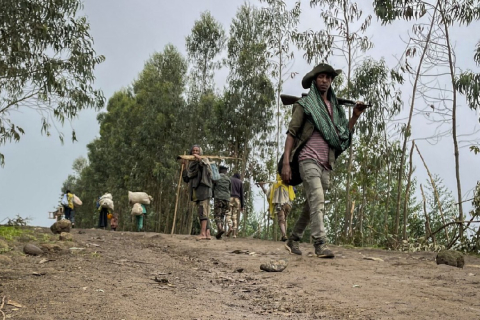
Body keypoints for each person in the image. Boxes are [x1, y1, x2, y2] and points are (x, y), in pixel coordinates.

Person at [281, 63, 367, 258]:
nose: (324, 81)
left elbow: (343, 135)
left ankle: (293, 238)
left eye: (328, 78)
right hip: (307, 158)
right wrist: (287, 162)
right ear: (314, 80)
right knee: (318, 199)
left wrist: (354, 116)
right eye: (321, 77)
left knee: (312, 203)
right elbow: (291, 134)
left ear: (331, 81)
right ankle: (320, 243)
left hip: (326, 162)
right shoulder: (305, 105)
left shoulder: (335, 109)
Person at [182, 144, 213, 240]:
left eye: (197, 151)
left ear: (200, 152)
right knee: (201, 212)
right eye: (193, 151)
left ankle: (203, 233)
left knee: (203, 211)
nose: (195, 153)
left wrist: (200, 159)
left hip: (204, 189)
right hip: (196, 190)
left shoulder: (204, 161)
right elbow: (187, 178)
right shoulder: (191, 165)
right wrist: (184, 166)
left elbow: (206, 169)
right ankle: (207, 233)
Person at [258, 173, 295, 242]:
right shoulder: (288, 184)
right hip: (288, 205)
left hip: (280, 204)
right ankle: (284, 235)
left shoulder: (275, 185)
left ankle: (284, 235)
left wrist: (262, 186)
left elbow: (267, 193)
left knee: (281, 220)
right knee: (284, 220)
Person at [213, 165, 232, 240]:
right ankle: (219, 233)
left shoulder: (216, 177)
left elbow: (213, 187)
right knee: (222, 215)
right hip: (227, 199)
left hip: (218, 198)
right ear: (226, 172)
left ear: (219, 171)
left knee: (217, 214)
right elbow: (230, 189)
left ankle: (220, 228)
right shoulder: (228, 179)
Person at [226, 172, 244, 238]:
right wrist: (242, 206)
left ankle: (230, 227)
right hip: (237, 199)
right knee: (235, 216)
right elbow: (242, 195)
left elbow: (227, 189)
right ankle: (234, 234)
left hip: (230, 197)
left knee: (228, 213)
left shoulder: (229, 179)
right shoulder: (240, 182)